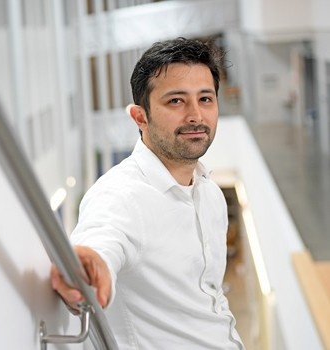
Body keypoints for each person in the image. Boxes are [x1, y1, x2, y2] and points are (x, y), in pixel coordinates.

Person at [50, 37, 245, 349]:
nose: (195, 115)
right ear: (140, 117)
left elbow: (211, 297)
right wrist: (89, 267)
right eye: (176, 101)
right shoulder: (121, 195)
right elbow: (102, 239)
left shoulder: (209, 193)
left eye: (205, 99)